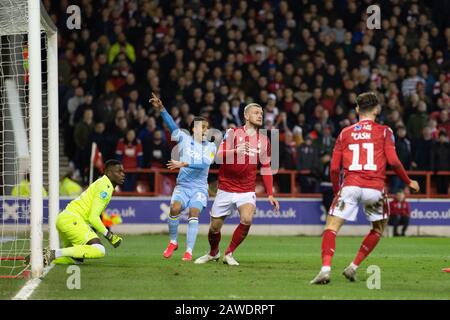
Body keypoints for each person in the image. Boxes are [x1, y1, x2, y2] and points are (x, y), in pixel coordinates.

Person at [310, 92, 419, 284]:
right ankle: (353, 267)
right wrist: (408, 181)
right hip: (375, 189)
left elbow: (335, 168)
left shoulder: (345, 133)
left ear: (357, 109)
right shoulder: (385, 131)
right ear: (377, 109)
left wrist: (337, 190)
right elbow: (393, 161)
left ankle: (325, 269)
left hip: (350, 186)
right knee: (378, 229)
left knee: (331, 227)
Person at [194, 103, 280, 266]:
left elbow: (267, 167)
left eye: (261, 113)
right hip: (226, 187)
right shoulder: (232, 133)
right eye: (256, 112)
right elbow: (218, 156)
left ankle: (229, 253)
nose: (260, 115)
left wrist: (270, 193)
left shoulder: (264, 140)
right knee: (214, 229)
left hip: (246, 189)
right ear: (246, 116)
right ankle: (213, 253)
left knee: (247, 219)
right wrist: (236, 151)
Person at [149, 93, 217, 262]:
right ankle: (173, 242)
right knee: (174, 209)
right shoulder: (185, 139)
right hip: (183, 186)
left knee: (194, 212)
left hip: (199, 188)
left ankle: (189, 251)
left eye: (207, 128)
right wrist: (162, 109)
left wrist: (183, 164)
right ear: (193, 129)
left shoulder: (211, 146)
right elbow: (172, 125)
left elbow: (204, 163)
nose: (206, 130)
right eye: (203, 127)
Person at [38, 160, 125, 265]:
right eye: (118, 171)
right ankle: (51, 253)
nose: (122, 174)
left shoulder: (103, 183)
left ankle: (40, 260)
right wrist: (109, 235)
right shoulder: (105, 188)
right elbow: (93, 218)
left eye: (122, 171)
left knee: (75, 259)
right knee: (99, 250)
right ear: (109, 173)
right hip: (73, 220)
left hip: (66, 219)